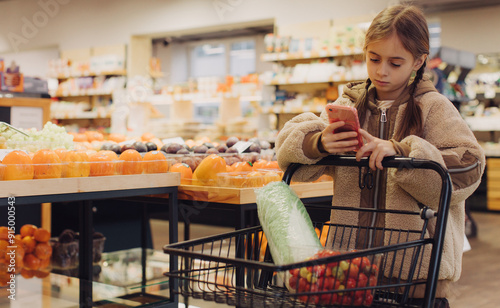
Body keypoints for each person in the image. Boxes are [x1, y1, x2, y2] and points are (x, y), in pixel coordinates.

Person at [275, 4, 485, 308]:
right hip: (349, 274)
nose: (381, 71)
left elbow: (469, 167)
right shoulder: (348, 104)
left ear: (419, 61)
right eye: (373, 59)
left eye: (395, 62)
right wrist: (319, 143)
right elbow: (288, 149)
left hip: (416, 278)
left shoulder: (434, 107)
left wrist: (403, 152)